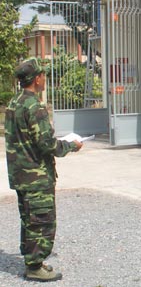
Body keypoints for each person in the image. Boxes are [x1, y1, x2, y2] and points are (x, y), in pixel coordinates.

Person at [5, 58, 83, 282]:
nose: (44, 79)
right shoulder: (34, 106)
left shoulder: (14, 103)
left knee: (29, 219)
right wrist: (71, 145)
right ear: (36, 78)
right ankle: (34, 266)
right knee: (42, 221)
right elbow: (47, 144)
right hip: (36, 177)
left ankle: (33, 261)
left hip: (21, 175)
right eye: (42, 75)